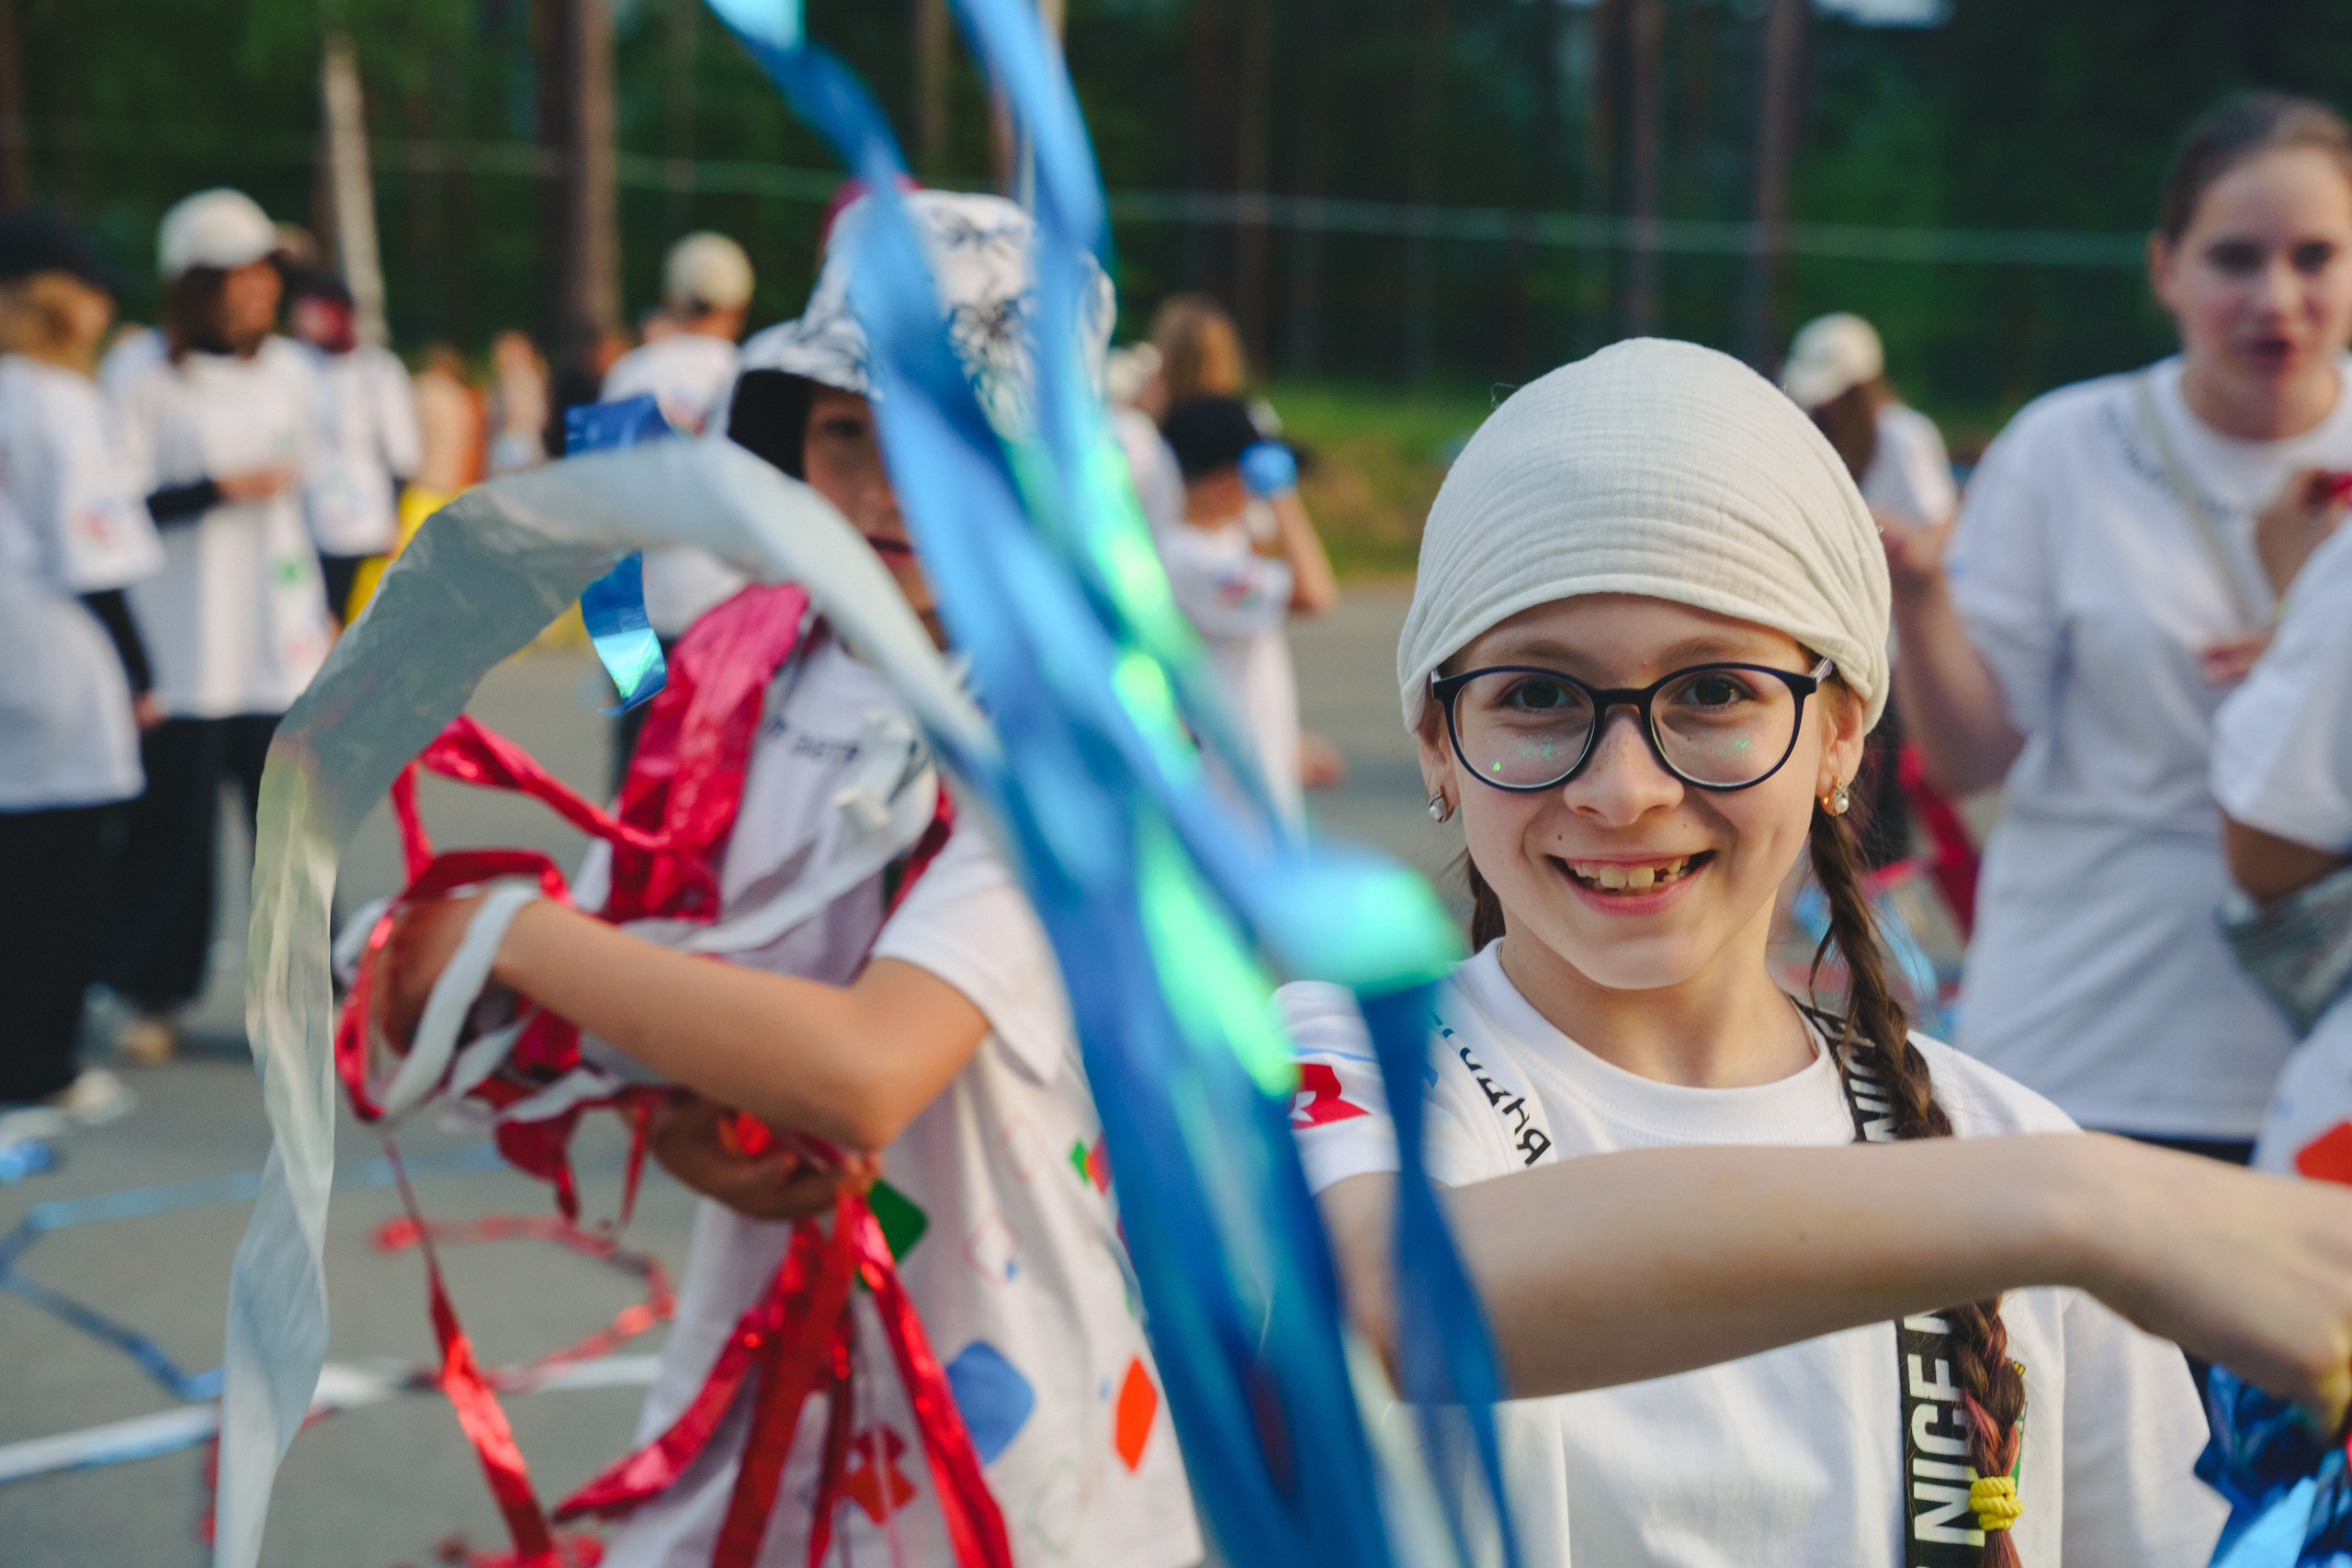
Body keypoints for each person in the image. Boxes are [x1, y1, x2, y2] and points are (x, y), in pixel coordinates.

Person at [1286, 340, 2222, 1565]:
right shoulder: (1346, 1062)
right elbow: (1381, 1283)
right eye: (1538, 696)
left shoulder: (2008, 1153)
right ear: (1436, 742)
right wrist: (2077, 1200)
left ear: (1840, 735)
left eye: (1715, 692)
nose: (1624, 789)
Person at [379, 191, 1201, 1568]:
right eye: (845, 434)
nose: (888, 493)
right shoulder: (744, 656)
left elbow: (871, 1065)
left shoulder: (1080, 733)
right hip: (759, 1337)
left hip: (1009, 1370)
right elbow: (652, 953)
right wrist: (673, 1111)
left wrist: (503, 932)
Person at [1883, 95, 2352, 1160]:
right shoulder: (2065, 447)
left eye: (2314, 255)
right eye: (2234, 257)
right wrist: (1919, 597)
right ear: (2165, 268)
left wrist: (2304, 642)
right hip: (2087, 1034)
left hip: (2322, 1058)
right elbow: (1967, 761)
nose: (2274, 298)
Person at [106, 188, 332, 1066]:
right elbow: (113, 502)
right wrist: (212, 490)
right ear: (197, 284)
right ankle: (151, 993)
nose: (261, 290)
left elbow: (321, 503)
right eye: (240, 275)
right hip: (186, 646)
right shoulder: (139, 374)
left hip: (274, 644)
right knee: (173, 836)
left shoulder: (292, 373)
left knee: (290, 834)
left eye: (265, 273)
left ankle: (305, 997)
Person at [0, 213, 160, 1130]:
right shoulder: (58, 401)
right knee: (63, 873)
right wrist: (145, 675)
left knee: (16, 860)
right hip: (54, 654)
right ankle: (39, 1064)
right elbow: (98, 557)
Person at [1783, 311, 1958, 867]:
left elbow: (1941, 531)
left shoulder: (1903, 436)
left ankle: (1875, 920)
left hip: (1891, 645)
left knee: (1875, 797)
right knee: (1829, 790)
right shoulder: (1813, 432)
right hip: (1830, 637)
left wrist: (1862, 522)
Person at [603, 231, 758, 744]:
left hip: (629, 601)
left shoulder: (631, 372)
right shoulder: (750, 375)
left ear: (672, 297)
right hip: (724, 599)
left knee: (635, 754)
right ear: (739, 303)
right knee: (707, 760)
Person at [1157, 396, 1338, 824]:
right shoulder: (1190, 559)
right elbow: (1315, 594)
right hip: (1229, 798)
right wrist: (1284, 499)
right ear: (1223, 478)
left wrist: (1287, 739)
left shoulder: (1218, 543)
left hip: (1246, 771)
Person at [286, 270, 421, 623]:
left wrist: (396, 514)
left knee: (342, 606)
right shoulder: (294, 364)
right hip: (302, 506)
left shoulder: (377, 370)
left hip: (358, 511)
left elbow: (402, 451)